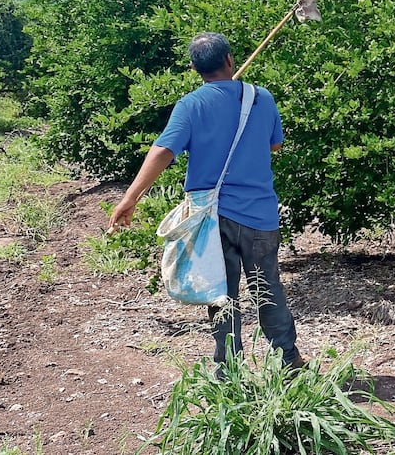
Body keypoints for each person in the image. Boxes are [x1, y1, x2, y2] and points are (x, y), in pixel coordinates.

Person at [108, 32, 303, 372]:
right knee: (267, 286)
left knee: (221, 292)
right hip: (259, 214)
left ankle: (228, 370)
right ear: (229, 59)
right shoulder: (262, 99)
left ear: (193, 68)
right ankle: (288, 361)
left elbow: (163, 152)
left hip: (210, 219)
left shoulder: (191, 105)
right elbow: (274, 146)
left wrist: (131, 198)